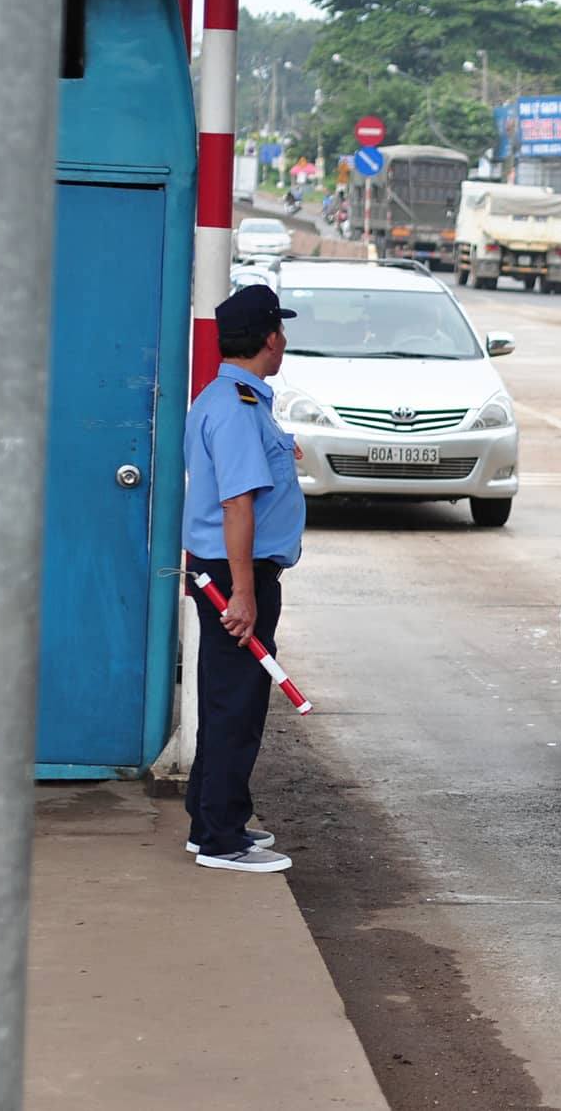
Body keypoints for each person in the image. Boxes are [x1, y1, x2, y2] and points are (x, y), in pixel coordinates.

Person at [183, 284, 308, 873]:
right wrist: (244, 592)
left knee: (228, 696)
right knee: (236, 702)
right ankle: (220, 840)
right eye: (279, 330)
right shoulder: (236, 408)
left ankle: (211, 817)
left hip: (231, 571)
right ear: (268, 339)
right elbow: (237, 506)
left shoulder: (232, 399)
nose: (282, 339)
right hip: (235, 574)